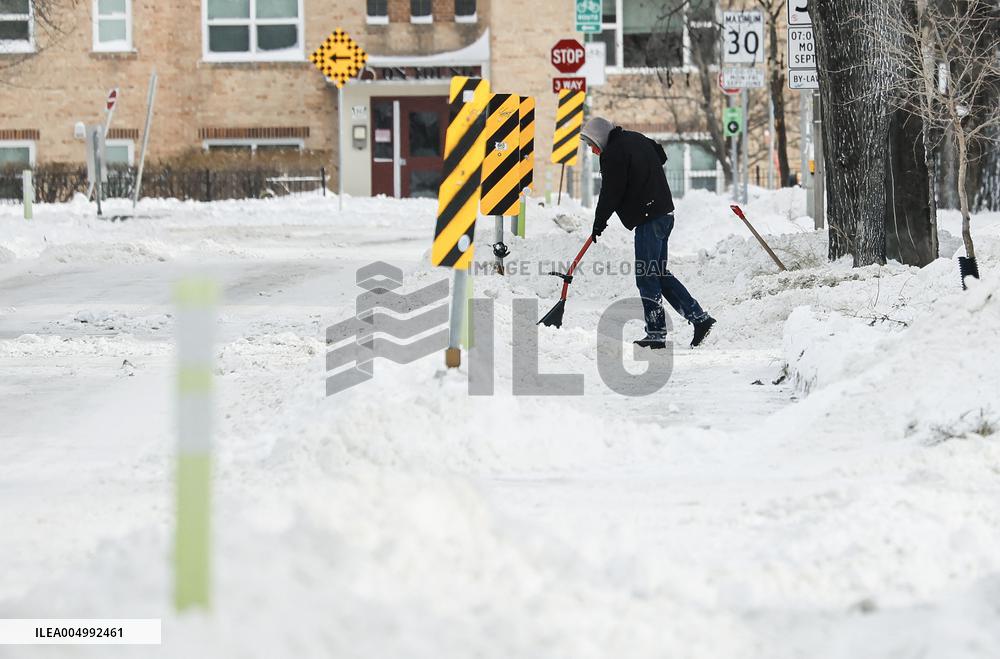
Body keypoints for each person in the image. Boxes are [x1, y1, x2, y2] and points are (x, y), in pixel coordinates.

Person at [581, 116, 716, 349]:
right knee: (658, 273)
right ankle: (700, 319)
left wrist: (598, 223)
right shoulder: (637, 138)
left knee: (646, 275)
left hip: (649, 218)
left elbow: (610, 193)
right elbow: (661, 155)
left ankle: (656, 333)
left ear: (601, 138)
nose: (593, 151)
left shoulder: (613, 153)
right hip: (664, 214)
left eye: (592, 144)